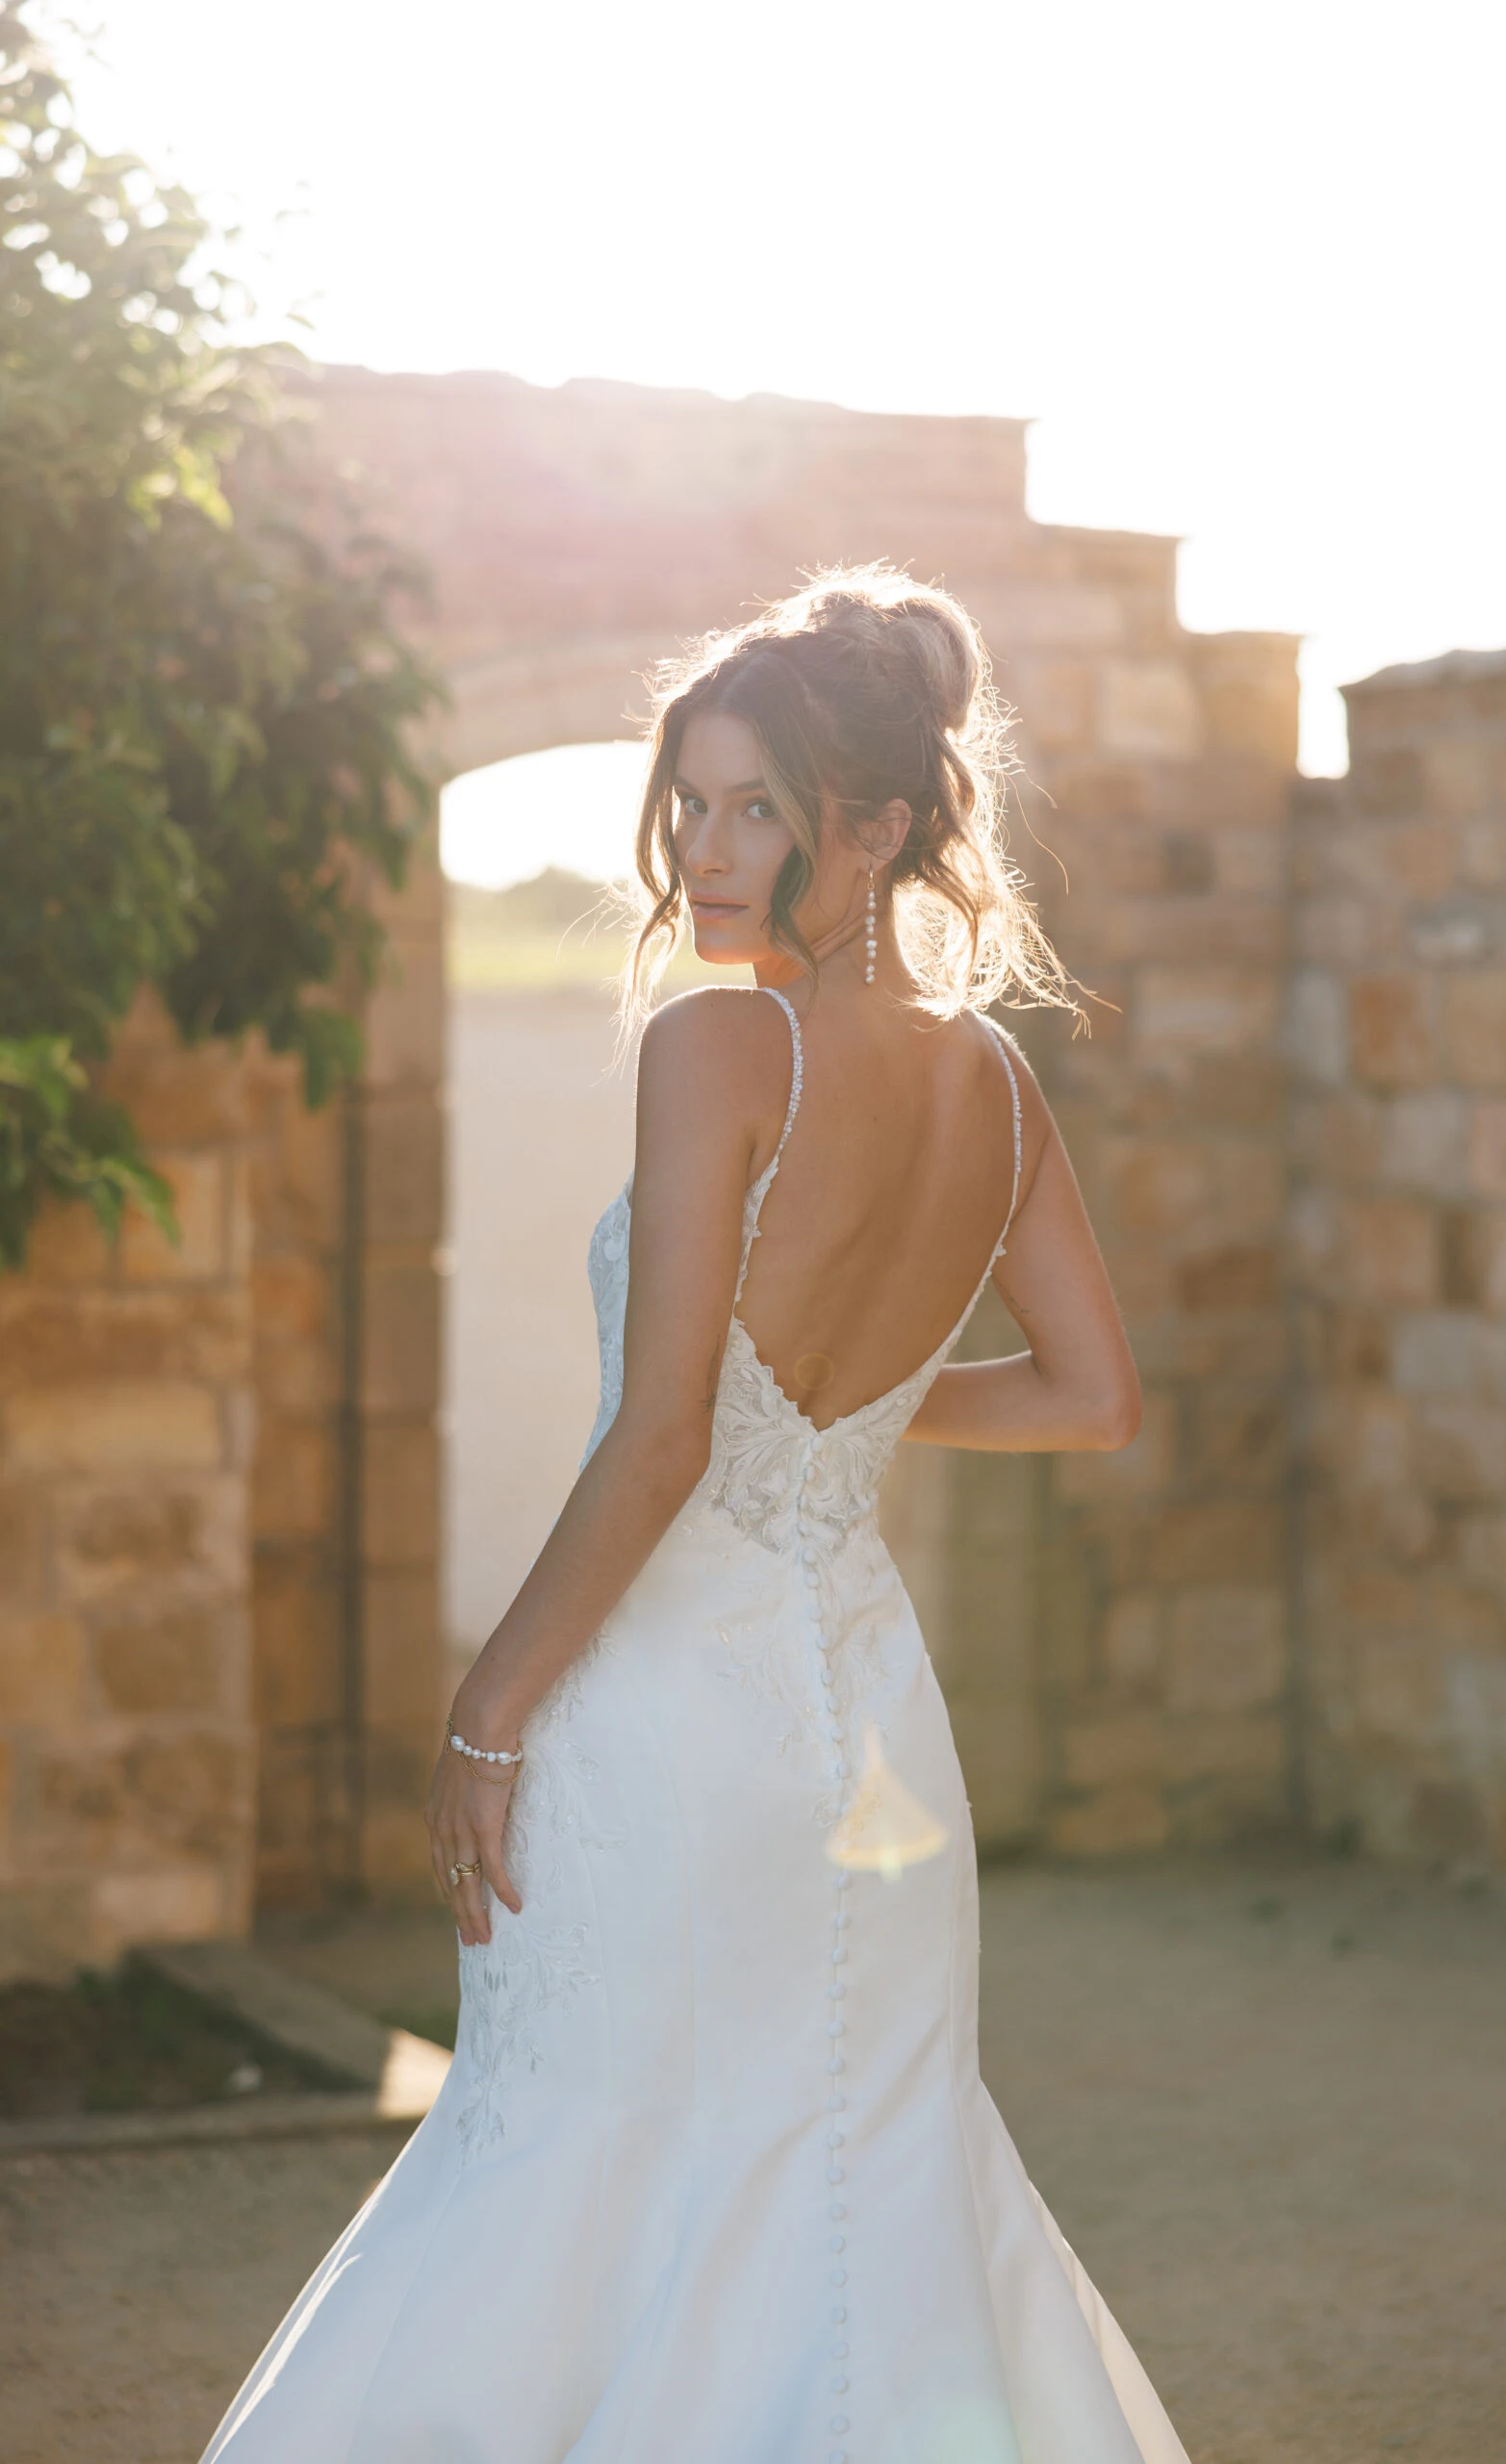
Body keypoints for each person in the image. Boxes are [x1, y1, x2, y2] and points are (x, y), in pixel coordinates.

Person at [202, 565, 1187, 2464]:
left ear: (880, 826)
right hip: (866, 1712)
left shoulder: (719, 1047)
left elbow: (658, 1442)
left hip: (666, 1704)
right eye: (693, 804)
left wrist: (486, 1710)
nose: (707, 853)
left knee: (574, 2150)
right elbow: (1092, 1394)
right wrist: (845, 1426)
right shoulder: (993, 1079)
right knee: (859, 2172)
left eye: (759, 809)